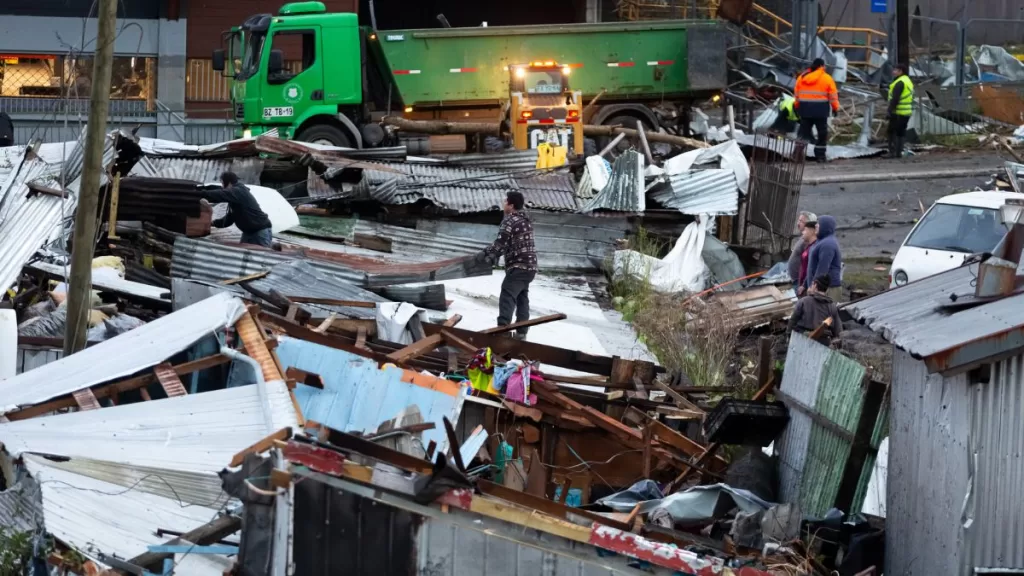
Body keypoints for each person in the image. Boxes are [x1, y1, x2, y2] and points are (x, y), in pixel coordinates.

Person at [477, 191, 538, 339]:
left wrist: (485, 253)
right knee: (522, 297)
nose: (503, 204)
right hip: (531, 267)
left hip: (518, 266)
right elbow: (508, 245)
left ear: (511, 205)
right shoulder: (526, 220)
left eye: (505, 202)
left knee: (507, 294)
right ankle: (521, 333)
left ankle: (502, 331)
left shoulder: (509, 221)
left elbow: (500, 243)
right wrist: (494, 255)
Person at [201, 171, 273, 248]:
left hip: (259, 231)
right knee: (243, 255)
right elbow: (229, 220)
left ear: (228, 183)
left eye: (222, 183)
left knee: (261, 257)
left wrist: (201, 194)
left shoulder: (239, 190)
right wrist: (212, 223)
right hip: (248, 232)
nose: (222, 187)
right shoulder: (235, 198)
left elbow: (221, 194)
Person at [794, 58, 839, 163]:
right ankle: (820, 157)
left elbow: (797, 94)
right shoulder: (827, 78)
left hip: (805, 110)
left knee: (803, 133)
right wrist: (835, 108)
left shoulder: (802, 77)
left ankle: (797, 154)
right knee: (822, 133)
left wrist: (797, 106)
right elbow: (833, 96)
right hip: (821, 111)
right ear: (822, 66)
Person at [789, 274, 843, 345]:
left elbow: (792, 322)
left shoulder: (803, 302)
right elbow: (838, 331)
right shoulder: (832, 306)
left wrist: (789, 336)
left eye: (812, 284)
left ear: (815, 285)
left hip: (803, 341)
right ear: (826, 289)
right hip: (824, 343)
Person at [803, 215, 843, 301]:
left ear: (825, 226)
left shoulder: (828, 244)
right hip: (818, 287)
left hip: (828, 289)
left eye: (819, 224)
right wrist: (805, 284)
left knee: (825, 313)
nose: (816, 226)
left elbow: (823, 268)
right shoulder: (820, 242)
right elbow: (812, 267)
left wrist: (814, 286)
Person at [887, 63, 914, 159]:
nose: (893, 72)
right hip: (906, 111)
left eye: (895, 70)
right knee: (901, 132)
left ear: (900, 71)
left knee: (892, 131)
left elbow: (895, 99)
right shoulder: (907, 81)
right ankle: (898, 153)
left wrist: (889, 111)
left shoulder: (900, 82)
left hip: (898, 112)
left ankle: (893, 152)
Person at [787, 211, 816, 292]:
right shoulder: (803, 237)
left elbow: (807, 261)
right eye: (798, 220)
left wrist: (803, 283)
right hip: (796, 279)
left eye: (801, 221)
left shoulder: (807, 240)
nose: (798, 223)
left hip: (800, 280)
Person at [797, 218, 818, 296]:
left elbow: (813, 268)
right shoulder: (809, 246)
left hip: (809, 287)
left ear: (811, 231)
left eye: (805, 230)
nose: (803, 232)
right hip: (804, 284)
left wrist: (805, 285)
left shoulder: (815, 247)